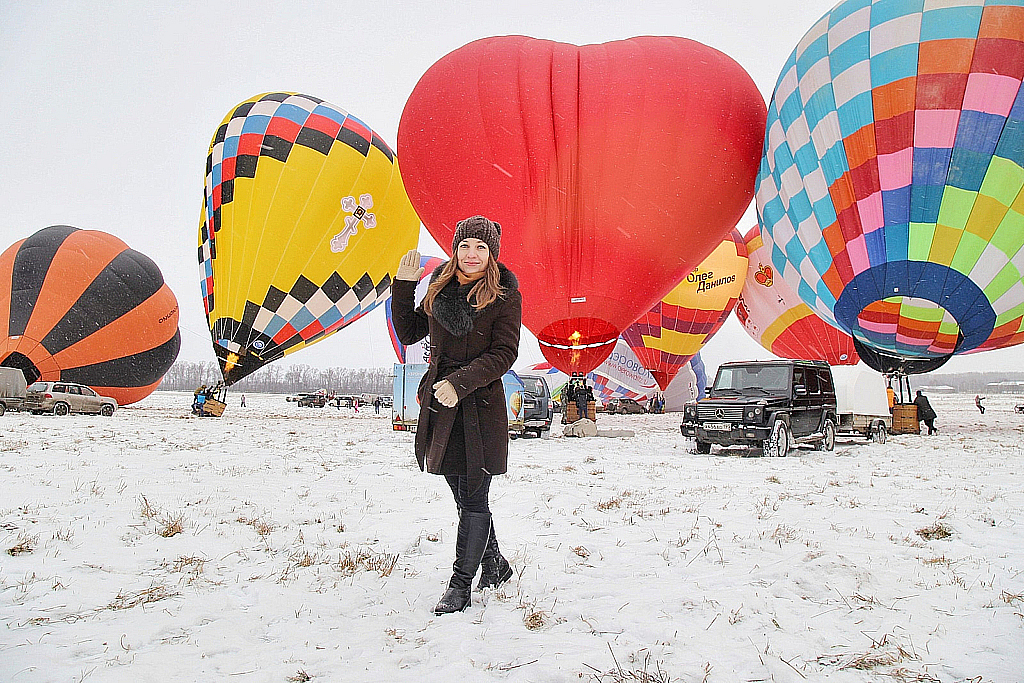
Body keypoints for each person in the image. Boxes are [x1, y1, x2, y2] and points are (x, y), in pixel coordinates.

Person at [391, 216, 521, 615]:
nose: (471, 254)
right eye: (465, 246)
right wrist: (403, 287)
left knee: (475, 496)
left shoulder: (504, 296)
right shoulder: (439, 287)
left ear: (492, 253)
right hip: (441, 406)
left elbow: (504, 353)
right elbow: (409, 332)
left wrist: (460, 382)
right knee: (460, 493)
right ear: (455, 250)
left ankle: (460, 586)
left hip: (479, 405)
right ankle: (494, 563)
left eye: (480, 247)